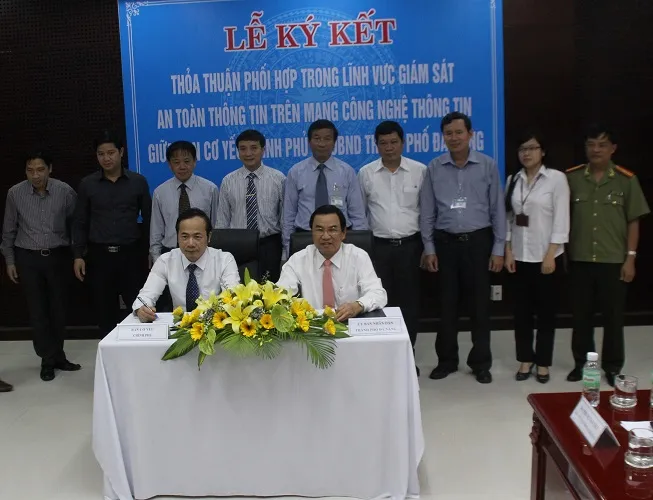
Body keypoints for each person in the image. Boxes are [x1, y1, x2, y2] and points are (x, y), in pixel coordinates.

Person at [420, 112, 506, 384]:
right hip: (445, 244)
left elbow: (497, 209)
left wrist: (499, 248)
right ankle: (446, 360)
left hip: (479, 243)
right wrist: (429, 247)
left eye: (459, 132)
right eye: (449, 133)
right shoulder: (434, 167)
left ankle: (481, 363)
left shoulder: (487, 165)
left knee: (480, 307)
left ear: (470, 134)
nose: (454, 138)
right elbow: (427, 211)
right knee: (446, 306)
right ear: (443, 137)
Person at [565, 124, 650, 386]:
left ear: (613, 148)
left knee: (613, 318)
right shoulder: (572, 178)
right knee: (581, 317)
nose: (596, 150)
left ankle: (613, 366)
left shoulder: (626, 180)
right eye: (591, 144)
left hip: (613, 260)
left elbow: (633, 221)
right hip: (580, 258)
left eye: (602, 145)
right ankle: (582, 364)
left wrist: (631, 257)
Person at [1, 151, 80, 382]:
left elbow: (77, 225)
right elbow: (8, 230)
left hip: (58, 257)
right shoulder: (15, 193)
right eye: (30, 170)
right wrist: (10, 260)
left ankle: (58, 355)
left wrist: (78, 255)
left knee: (58, 310)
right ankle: (47, 359)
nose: (35, 175)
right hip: (28, 259)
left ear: (50, 169)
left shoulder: (65, 191)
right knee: (38, 312)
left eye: (40, 170)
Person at [359, 121, 426, 372]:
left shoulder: (419, 171)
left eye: (394, 142)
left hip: (411, 246)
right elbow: (360, 214)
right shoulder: (365, 173)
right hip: (378, 248)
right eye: (383, 143)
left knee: (409, 304)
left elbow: (426, 212)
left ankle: (408, 356)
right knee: (379, 302)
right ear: (376, 145)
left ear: (403, 143)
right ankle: (384, 358)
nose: (389, 148)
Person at [504, 132, 570, 383]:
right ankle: (525, 359)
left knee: (546, 314)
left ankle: (543, 362)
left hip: (546, 257)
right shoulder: (513, 180)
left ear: (543, 151)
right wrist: (508, 250)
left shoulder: (556, 179)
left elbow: (562, 219)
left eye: (532, 148)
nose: (527, 153)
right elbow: (509, 217)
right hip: (520, 256)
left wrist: (551, 254)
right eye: (522, 148)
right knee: (521, 313)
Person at [72, 130, 152, 336]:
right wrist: (78, 255)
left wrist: (149, 252)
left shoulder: (138, 182)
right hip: (99, 257)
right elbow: (80, 222)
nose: (106, 158)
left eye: (111, 153)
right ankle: (109, 351)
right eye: (101, 154)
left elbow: (149, 219)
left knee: (138, 307)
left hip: (131, 255)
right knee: (104, 311)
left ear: (121, 152)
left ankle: (138, 350)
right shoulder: (87, 184)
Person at [277, 205, 387, 322]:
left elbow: (378, 294)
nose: (325, 236)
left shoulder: (358, 257)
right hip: (312, 327)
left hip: (350, 324)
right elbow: (280, 294)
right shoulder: (298, 260)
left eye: (332, 230)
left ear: (343, 233)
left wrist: (357, 306)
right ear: (312, 232)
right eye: (319, 230)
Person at [133, 208, 240, 321]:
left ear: (209, 237)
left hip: (214, 323)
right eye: (184, 237)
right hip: (179, 325)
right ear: (177, 237)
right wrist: (141, 309)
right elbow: (145, 296)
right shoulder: (165, 261)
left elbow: (232, 297)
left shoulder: (224, 260)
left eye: (197, 237)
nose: (190, 243)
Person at [282, 119, 367, 259]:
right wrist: (288, 247)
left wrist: (359, 249)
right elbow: (288, 215)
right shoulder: (296, 172)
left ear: (334, 143)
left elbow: (357, 214)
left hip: (340, 238)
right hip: (305, 237)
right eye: (317, 138)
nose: (322, 143)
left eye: (327, 139)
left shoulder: (346, 172)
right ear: (309, 142)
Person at [150, 140, 219, 311]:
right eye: (176, 162)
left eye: (187, 161)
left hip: (201, 253)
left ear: (195, 162)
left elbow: (216, 225)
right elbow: (156, 230)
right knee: (171, 307)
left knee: (203, 304)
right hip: (170, 254)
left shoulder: (210, 189)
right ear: (169, 164)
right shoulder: (160, 192)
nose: (182, 166)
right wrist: (157, 260)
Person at [217, 130, 285, 281]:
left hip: (269, 243)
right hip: (237, 244)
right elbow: (222, 221)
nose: (248, 153)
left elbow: (284, 219)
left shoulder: (278, 179)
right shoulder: (228, 181)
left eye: (254, 148)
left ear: (263, 150)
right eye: (243, 149)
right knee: (239, 288)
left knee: (271, 288)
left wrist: (285, 251)